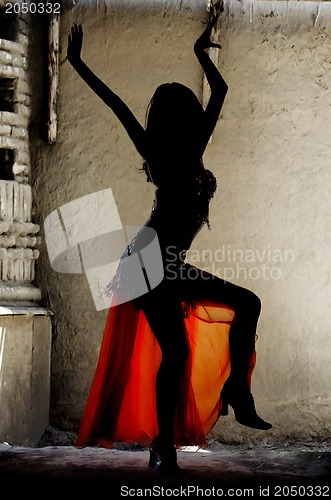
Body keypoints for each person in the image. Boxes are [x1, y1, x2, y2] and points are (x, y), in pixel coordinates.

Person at [67, 10, 272, 475]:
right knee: (178, 351)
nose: (194, 117)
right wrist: (77, 63)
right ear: (176, 119)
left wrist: (202, 52)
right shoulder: (159, 153)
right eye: (183, 112)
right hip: (146, 261)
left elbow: (219, 92)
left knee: (247, 305)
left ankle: (235, 391)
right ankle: (166, 446)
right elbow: (116, 103)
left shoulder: (194, 150)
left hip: (166, 261)